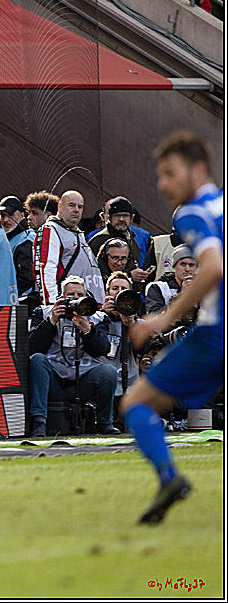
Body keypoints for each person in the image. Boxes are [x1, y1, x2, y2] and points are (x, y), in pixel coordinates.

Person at [123, 131, 223, 524]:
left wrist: (166, 316)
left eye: (170, 173)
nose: (162, 184)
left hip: (217, 334)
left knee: (136, 403)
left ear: (197, 170)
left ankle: (169, 478)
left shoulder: (192, 212)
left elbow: (214, 267)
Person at [27, 275, 120, 437]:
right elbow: (32, 347)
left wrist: (88, 331)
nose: (75, 300)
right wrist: (52, 321)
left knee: (108, 371)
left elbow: (103, 349)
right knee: (37, 359)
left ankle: (105, 422)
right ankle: (39, 422)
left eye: (80, 296)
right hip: (53, 380)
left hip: (83, 381)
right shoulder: (44, 312)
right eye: (70, 296)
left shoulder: (98, 317)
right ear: (61, 297)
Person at [35, 190, 105, 305]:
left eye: (80, 207)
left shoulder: (77, 233)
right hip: (70, 307)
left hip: (91, 307)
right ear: (60, 207)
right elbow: (46, 268)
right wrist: (51, 304)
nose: (76, 210)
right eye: (71, 205)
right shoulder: (51, 229)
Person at [97, 271, 145, 409]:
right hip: (105, 384)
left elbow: (143, 349)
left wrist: (131, 325)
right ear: (107, 294)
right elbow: (95, 346)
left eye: (124, 289)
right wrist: (105, 315)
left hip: (130, 386)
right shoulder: (97, 319)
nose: (119, 292)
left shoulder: (138, 323)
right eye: (115, 288)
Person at [0, 195, 35, 299]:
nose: (6, 219)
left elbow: (26, 278)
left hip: (23, 300)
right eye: (2, 215)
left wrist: (6, 295)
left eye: (11, 215)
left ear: (22, 215)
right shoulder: (7, 236)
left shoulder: (26, 239)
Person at [144, 244, 195, 315]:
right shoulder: (158, 287)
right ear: (174, 266)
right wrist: (181, 296)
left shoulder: (205, 287)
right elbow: (154, 316)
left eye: (191, 265)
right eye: (183, 264)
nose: (187, 269)